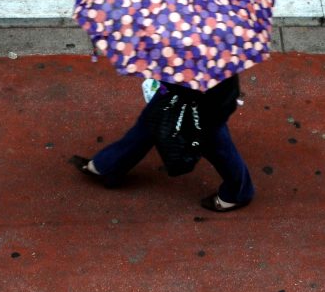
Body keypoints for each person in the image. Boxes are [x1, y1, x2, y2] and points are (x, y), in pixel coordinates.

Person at [71, 74, 254, 212]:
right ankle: (109, 165)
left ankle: (238, 191)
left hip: (201, 98)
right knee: (152, 122)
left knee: (213, 141)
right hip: (199, 88)